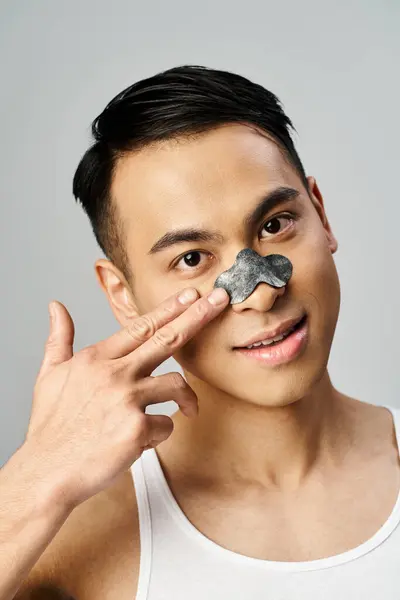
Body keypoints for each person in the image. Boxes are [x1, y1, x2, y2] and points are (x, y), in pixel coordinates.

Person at [1, 64, 399, 600]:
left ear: (321, 215)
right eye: (192, 258)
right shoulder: (74, 531)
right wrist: (34, 481)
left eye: (275, 224)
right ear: (122, 294)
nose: (260, 292)